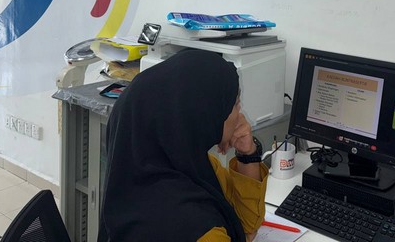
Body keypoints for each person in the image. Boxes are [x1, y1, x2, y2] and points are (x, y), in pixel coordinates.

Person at [98, 49, 268, 242]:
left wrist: (248, 154)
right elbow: (247, 232)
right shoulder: (201, 230)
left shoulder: (144, 168)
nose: (240, 114)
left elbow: (245, 224)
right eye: (235, 104)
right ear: (206, 115)